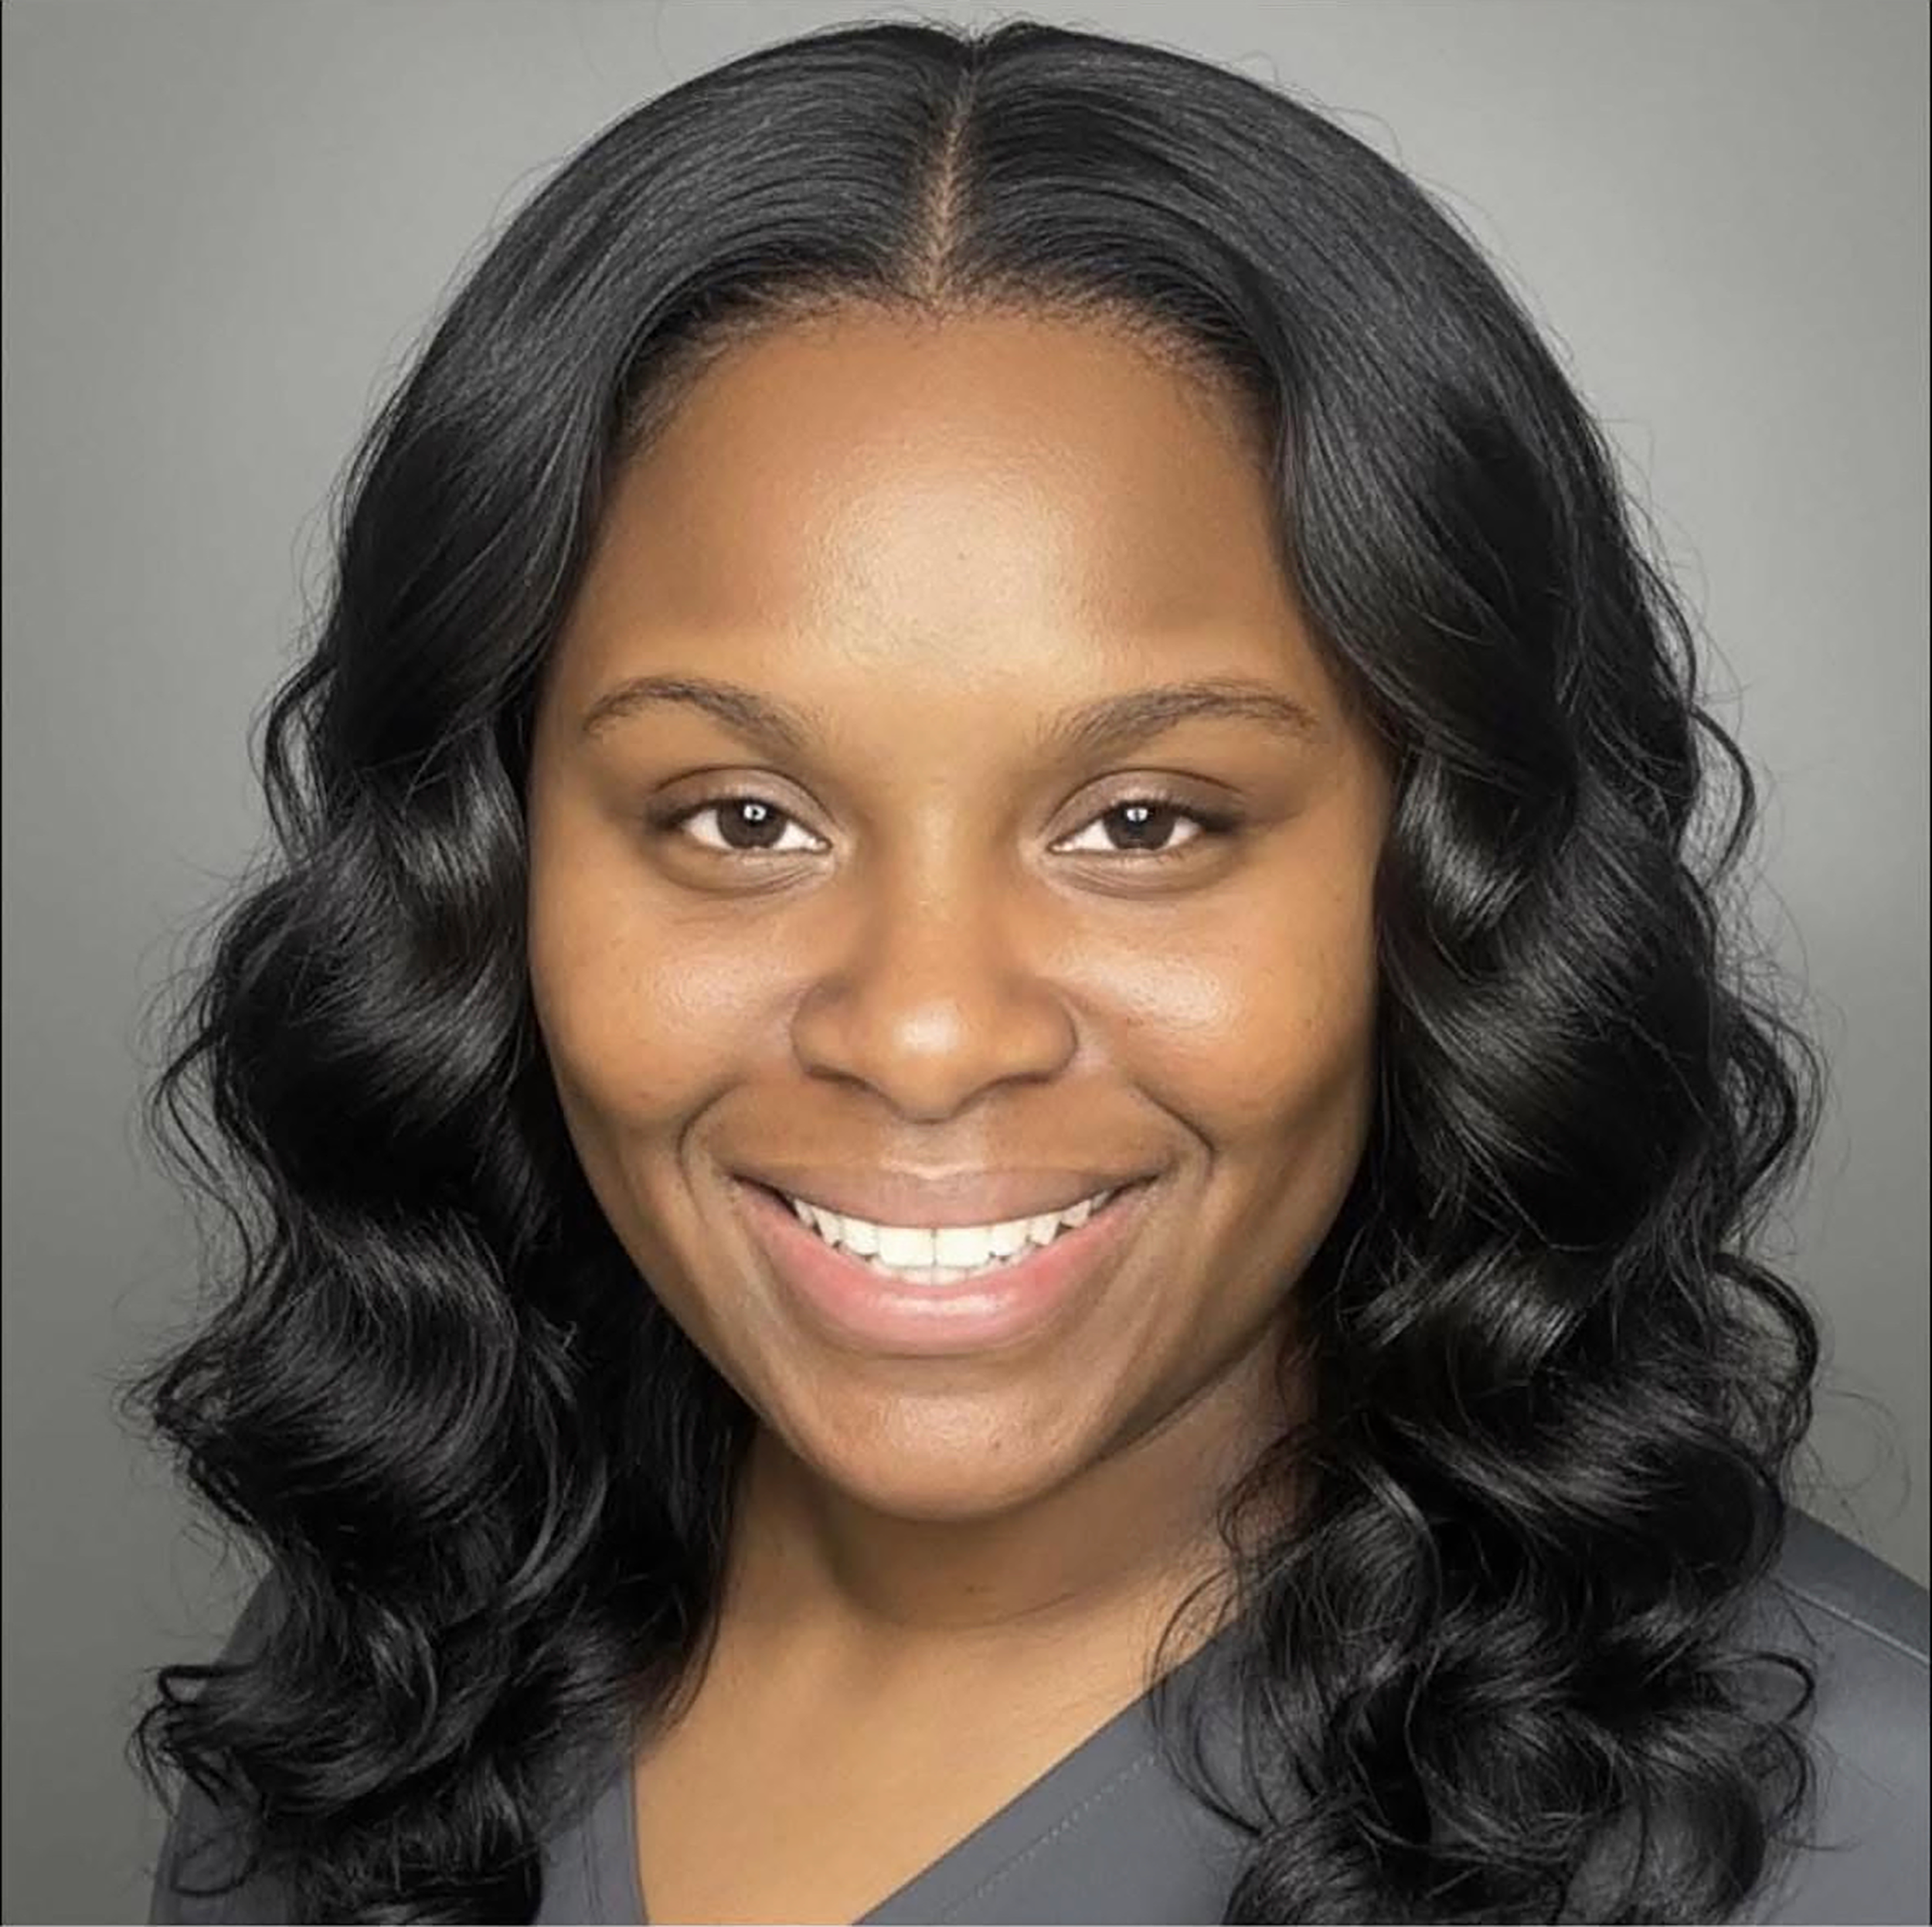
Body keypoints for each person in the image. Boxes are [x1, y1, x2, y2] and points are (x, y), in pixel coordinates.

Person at [128, 16, 1927, 1926]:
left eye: (1142, 822)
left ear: (1452, 881)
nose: (924, 1033)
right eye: (739, 817)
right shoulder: (380, 1686)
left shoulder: (1869, 1834)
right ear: (485, 867)